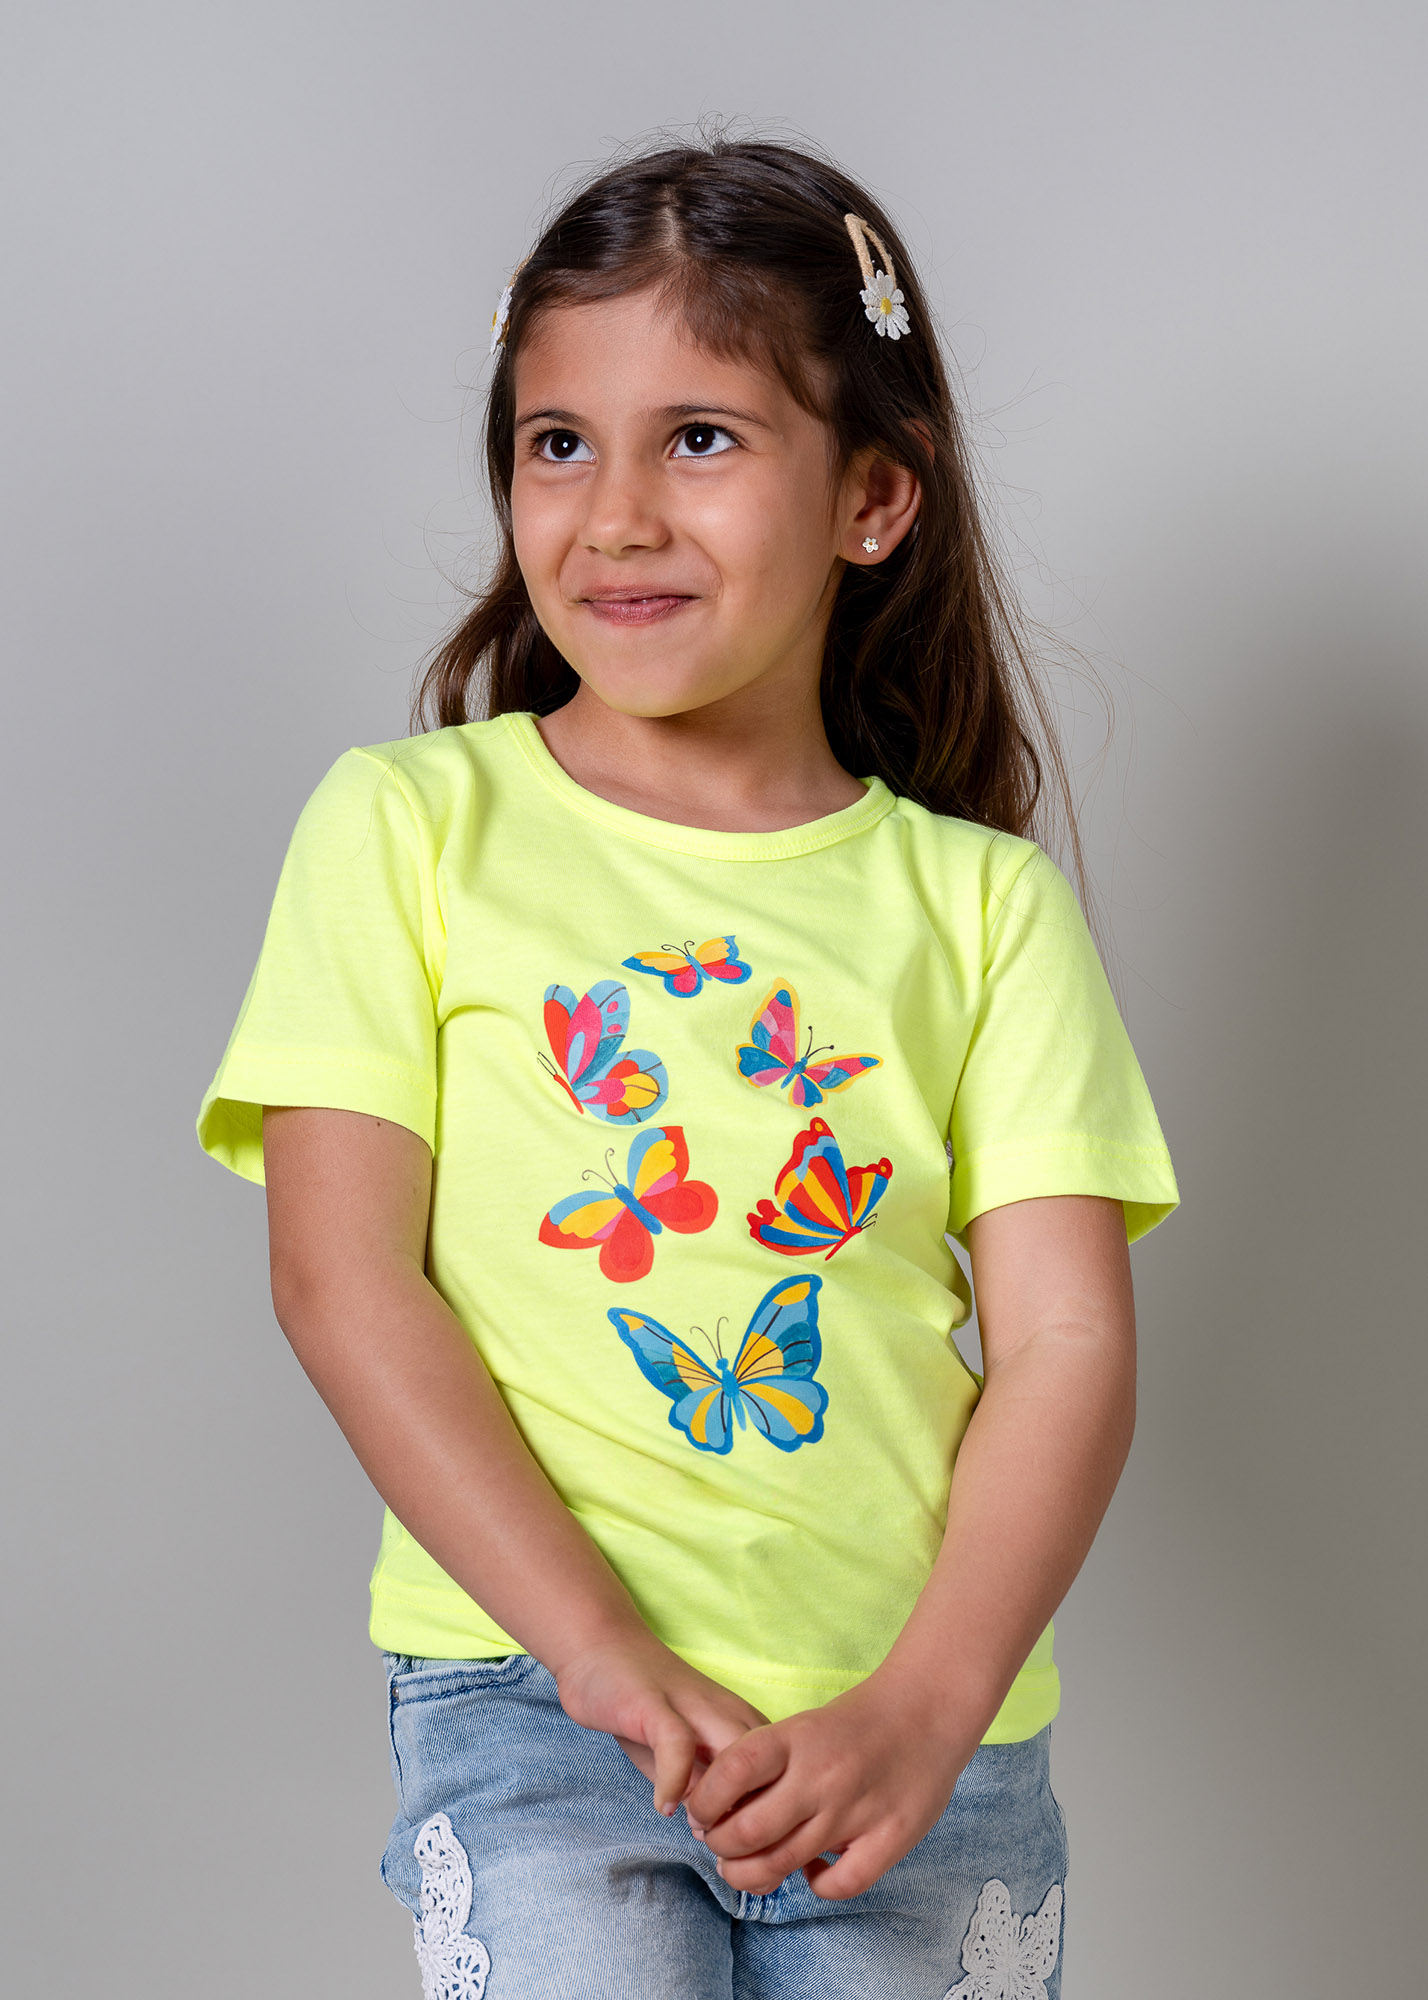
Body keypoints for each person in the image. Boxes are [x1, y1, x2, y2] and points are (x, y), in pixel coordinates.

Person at [196, 134, 1179, 2000]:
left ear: (873, 497)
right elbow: (341, 1276)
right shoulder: (409, 828)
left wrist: (927, 1704)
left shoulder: (982, 908)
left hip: (914, 1740)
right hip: (538, 1703)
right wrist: (600, 1653)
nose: (617, 515)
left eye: (702, 439)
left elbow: (1066, 1344)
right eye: (559, 443)